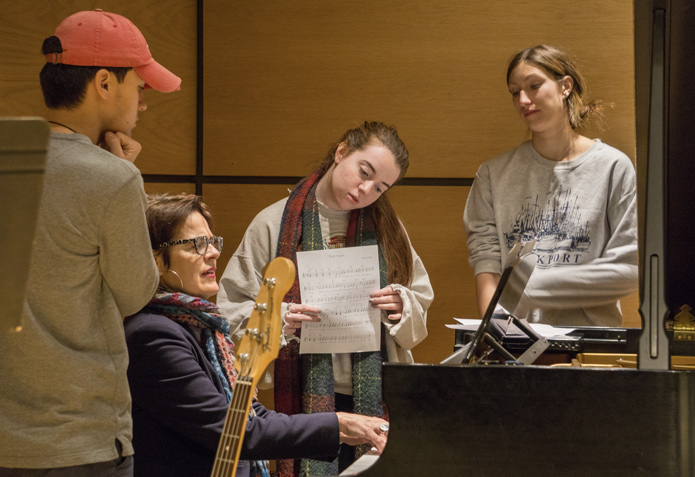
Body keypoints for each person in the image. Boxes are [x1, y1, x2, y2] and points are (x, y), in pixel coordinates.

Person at [0, 10, 181, 476]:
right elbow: (135, 293)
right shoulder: (114, 179)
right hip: (78, 441)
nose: (143, 103)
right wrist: (126, 181)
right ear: (104, 82)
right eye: (139, 87)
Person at [218, 121, 433, 475]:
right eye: (364, 172)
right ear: (341, 151)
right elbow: (230, 309)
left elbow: (419, 297)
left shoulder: (387, 227)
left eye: (380, 187)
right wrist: (279, 317)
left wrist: (401, 303)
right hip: (302, 391)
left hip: (372, 390)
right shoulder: (273, 223)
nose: (366, 190)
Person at [125, 193, 388, 477]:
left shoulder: (199, 326)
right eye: (196, 245)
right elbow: (237, 431)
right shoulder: (152, 334)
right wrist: (340, 424)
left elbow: (250, 414)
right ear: (156, 260)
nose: (213, 252)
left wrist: (344, 426)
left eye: (212, 242)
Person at [464, 44, 638, 327]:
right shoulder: (493, 175)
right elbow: (486, 260)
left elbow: (629, 269)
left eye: (534, 86)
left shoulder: (613, 167)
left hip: (590, 347)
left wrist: (532, 289)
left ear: (565, 86)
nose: (523, 99)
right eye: (514, 92)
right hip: (516, 345)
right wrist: (496, 332)